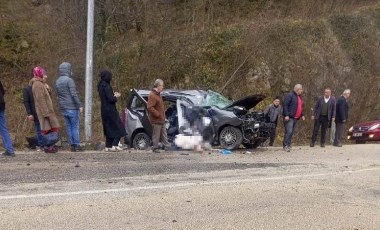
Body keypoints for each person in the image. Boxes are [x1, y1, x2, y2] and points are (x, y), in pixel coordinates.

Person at [55, 62, 84, 152]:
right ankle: (77, 145)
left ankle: (72, 145)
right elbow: (74, 94)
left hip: (63, 107)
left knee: (68, 127)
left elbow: (58, 95)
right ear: (68, 69)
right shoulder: (69, 80)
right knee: (75, 127)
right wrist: (79, 105)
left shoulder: (57, 81)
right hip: (72, 107)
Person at [30, 66, 60, 153]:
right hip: (45, 111)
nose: (46, 76)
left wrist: (48, 88)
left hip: (47, 110)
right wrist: (46, 112)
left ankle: (50, 146)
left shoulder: (41, 84)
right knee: (47, 129)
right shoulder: (37, 84)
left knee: (51, 128)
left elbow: (47, 96)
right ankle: (48, 147)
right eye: (44, 74)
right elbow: (41, 99)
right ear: (39, 74)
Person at [97, 70, 126, 152]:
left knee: (108, 127)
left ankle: (108, 146)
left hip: (103, 109)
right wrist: (116, 96)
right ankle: (115, 144)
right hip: (110, 109)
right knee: (119, 127)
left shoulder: (100, 86)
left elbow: (106, 98)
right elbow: (111, 99)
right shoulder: (107, 86)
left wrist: (112, 95)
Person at [23, 70, 44, 151]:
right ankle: (41, 145)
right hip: (35, 112)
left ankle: (45, 144)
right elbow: (26, 102)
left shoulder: (42, 86)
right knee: (39, 129)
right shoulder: (27, 89)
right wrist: (29, 113)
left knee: (43, 129)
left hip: (43, 111)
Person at [147, 79, 170, 153]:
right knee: (156, 134)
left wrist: (163, 116)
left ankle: (167, 146)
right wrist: (158, 114)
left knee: (164, 133)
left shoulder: (158, 94)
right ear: (158, 86)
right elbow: (150, 107)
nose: (162, 87)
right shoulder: (152, 95)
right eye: (162, 86)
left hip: (161, 119)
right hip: (156, 119)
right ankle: (155, 147)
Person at [282, 84, 305, 152]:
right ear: (297, 89)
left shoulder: (299, 97)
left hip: (296, 118)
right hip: (290, 117)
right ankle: (285, 145)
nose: (302, 91)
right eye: (301, 89)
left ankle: (288, 144)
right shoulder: (290, 95)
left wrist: (302, 115)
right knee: (288, 131)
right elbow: (285, 105)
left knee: (291, 132)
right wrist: (286, 115)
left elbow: (300, 107)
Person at [0, 80, 15, 157]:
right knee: (3, 128)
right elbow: (3, 91)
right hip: (1, 105)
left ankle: (9, 150)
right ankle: (10, 150)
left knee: (3, 128)